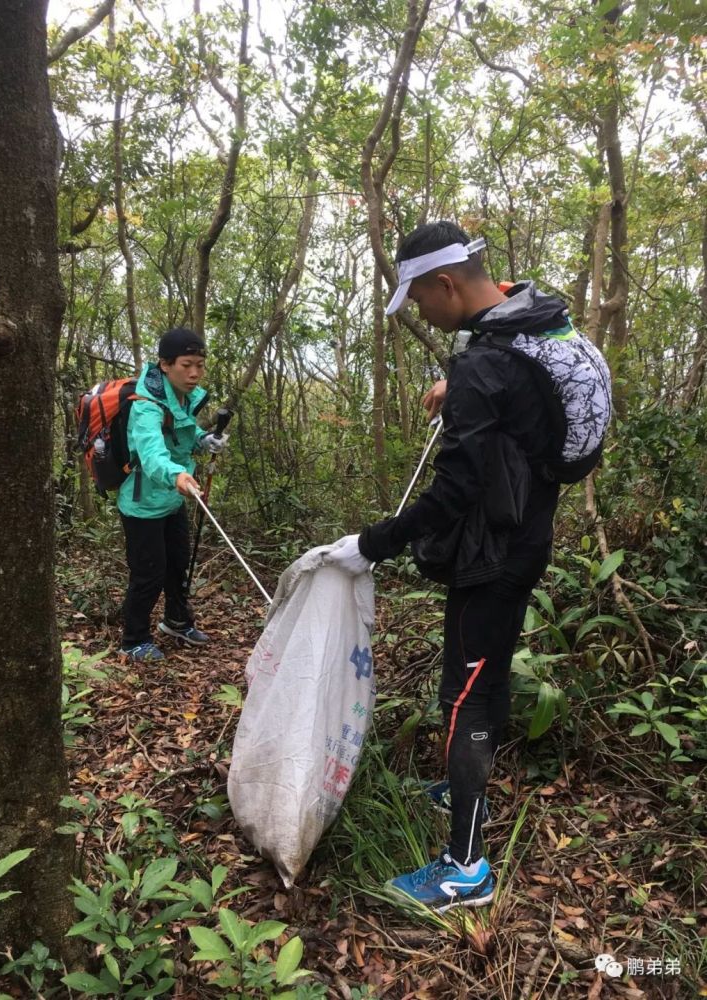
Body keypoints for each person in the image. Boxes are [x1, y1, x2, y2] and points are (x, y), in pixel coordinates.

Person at [324, 220, 602, 911]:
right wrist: (462, 392)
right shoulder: (527, 321)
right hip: (525, 535)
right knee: (489, 671)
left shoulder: (484, 363)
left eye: (418, 298)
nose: (418, 311)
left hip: (492, 553)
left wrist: (372, 543)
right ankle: (461, 789)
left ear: (446, 284)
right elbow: (527, 402)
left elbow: (454, 492)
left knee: (466, 693)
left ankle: (464, 867)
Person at [118, 327, 225, 662]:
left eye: (199, 365)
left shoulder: (182, 396)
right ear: (165, 364)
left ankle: (176, 621)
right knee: (149, 572)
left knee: (178, 565)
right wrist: (176, 474)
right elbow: (151, 454)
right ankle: (133, 639)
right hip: (143, 503)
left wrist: (204, 439)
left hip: (172, 499)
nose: (194, 373)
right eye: (186, 365)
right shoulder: (146, 405)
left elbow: (182, 432)